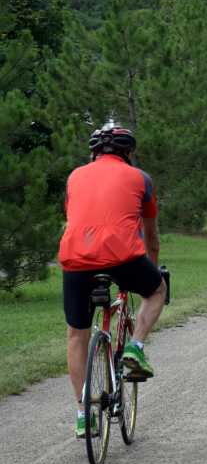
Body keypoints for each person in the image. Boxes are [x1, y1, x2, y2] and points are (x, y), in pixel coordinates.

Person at [58, 123, 166, 438]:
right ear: (129, 153)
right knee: (156, 290)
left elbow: (77, 217)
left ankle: (83, 414)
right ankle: (135, 347)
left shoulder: (74, 177)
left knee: (77, 335)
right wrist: (152, 269)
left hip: (76, 259)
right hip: (123, 257)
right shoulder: (141, 178)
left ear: (94, 152)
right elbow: (151, 236)